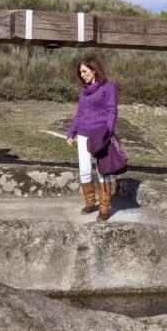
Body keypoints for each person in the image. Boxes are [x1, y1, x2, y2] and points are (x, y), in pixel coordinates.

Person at [66, 56, 118, 221]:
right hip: (83, 135)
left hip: (101, 134)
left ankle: (104, 207)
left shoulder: (108, 87)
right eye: (80, 72)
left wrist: (108, 130)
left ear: (94, 70)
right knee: (84, 170)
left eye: (84, 71)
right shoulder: (84, 93)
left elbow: (112, 110)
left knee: (102, 171)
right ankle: (90, 203)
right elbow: (80, 114)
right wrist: (71, 132)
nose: (81, 75)